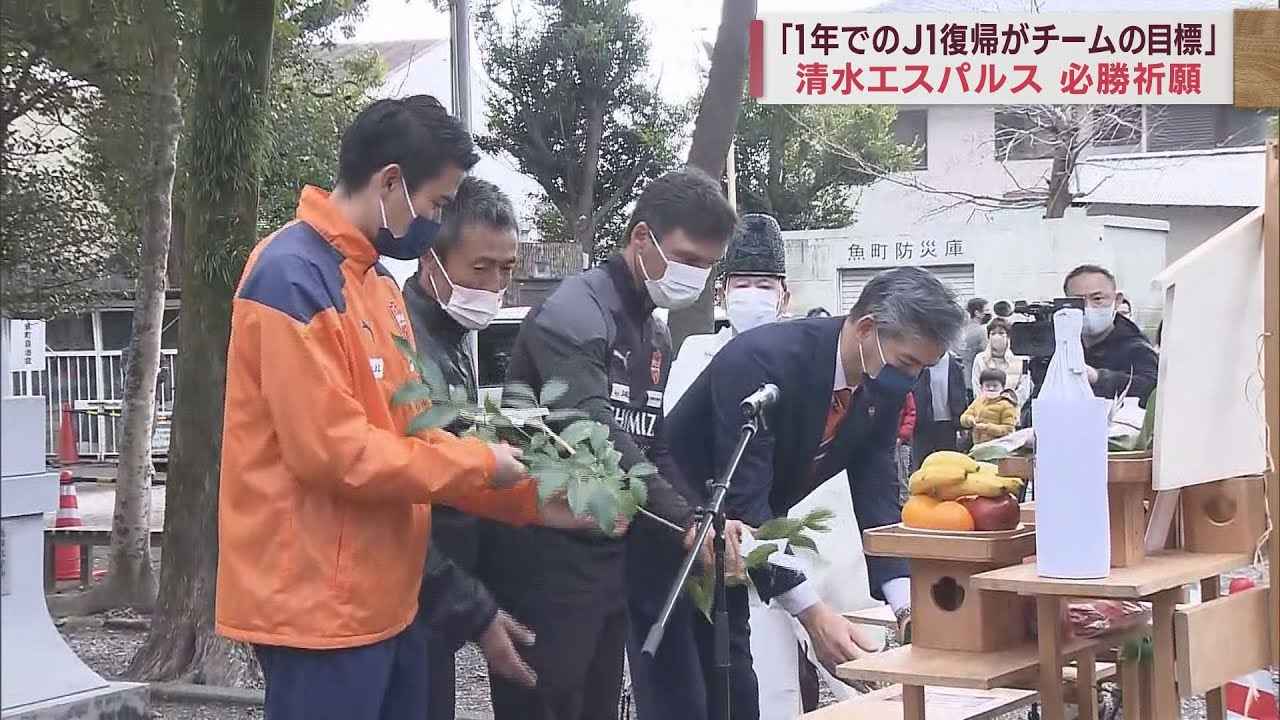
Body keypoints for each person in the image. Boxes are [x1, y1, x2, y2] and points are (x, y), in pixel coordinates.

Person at [215, 96, 580, 720]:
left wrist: (525, 497)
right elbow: (334, 452)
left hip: (388, 598)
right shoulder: (291, 277)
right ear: (390, 182)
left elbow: (413, 434)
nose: (437, 222)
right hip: (316, 608)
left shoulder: (377, 286)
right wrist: (481, 467)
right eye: (437, 204)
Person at [648, 267, 967, 720]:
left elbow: (877, 491)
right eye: (908, 364)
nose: (911, 379)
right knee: (684, 694)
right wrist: (813, 613)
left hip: (740, 547)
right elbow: (744, 499)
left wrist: (906, 604)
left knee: (735, 689)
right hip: (676, 529)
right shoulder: (763, 361)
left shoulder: (881, 381)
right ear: (867, 329)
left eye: (922, 369)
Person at [482, 168, 738, 720]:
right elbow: (593, 432)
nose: (694, 275)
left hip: (607, 562)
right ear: (642, 239)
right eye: (686, 258)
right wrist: (681, 516)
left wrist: (699, 516)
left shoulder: (655, 330)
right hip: (544, 563)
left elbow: (655, 443)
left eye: (706, 265)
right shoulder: (575, 314)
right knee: (546, 705)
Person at [400, 176, 545, 720]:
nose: (493, 284)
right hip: (412, 587)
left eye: (506, 269)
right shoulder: (406, 340)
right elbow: (410, 485)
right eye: (479, 268)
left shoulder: (453, 335)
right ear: (429, 259)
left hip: (440, 591)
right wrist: (467, 603)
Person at [665, 213, 789, 412]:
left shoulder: (797, 359)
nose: (752, 295)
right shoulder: (695, 353)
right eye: (742, 285)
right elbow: (673, 419)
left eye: (764, 287)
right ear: (722, 295)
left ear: (784, 299)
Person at [1063, 265, 1159, 404]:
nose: (1087, 307)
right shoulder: (1060, 345)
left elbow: (1151, 388)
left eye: (1097, 299)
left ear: (1117, 300)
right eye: (1078, 301)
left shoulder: (1136, 348)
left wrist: (1098, 377)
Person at [911, 349, 967, 470]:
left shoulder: (954, 363)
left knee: (948, 467)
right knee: (922, 467)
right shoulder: (920, 361)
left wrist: (961, 424)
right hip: (922, 424)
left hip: (948, 424)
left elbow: (960, 394)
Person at [971, 318, 1032, 409]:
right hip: (986, 411)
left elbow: (1024, 388)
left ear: (1008, 336)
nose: (997, 336)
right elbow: (976, 387)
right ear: (988, 336)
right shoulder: (980, 359)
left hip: (1012, 412)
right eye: (993, 333)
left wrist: (1009, 404)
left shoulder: (1022, 358)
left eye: (1001, 333)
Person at [960, 369, 1019, 445]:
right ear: (981, 387)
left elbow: (1008, 429)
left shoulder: (1007, 405)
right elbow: (963, 418)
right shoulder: (978, 401)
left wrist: (987, 428)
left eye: (995, 386)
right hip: (978, 444)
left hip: (998, 446)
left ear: (1003, 387)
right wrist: (969, 420)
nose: (991, 388)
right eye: (987, 386)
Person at [958, 297, 991, 395]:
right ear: (977, 313)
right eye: (986, 310)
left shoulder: (960, 329)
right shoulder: (981, 331)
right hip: (973, 379)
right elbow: (987, 354)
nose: (989, 313)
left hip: (960, 378)